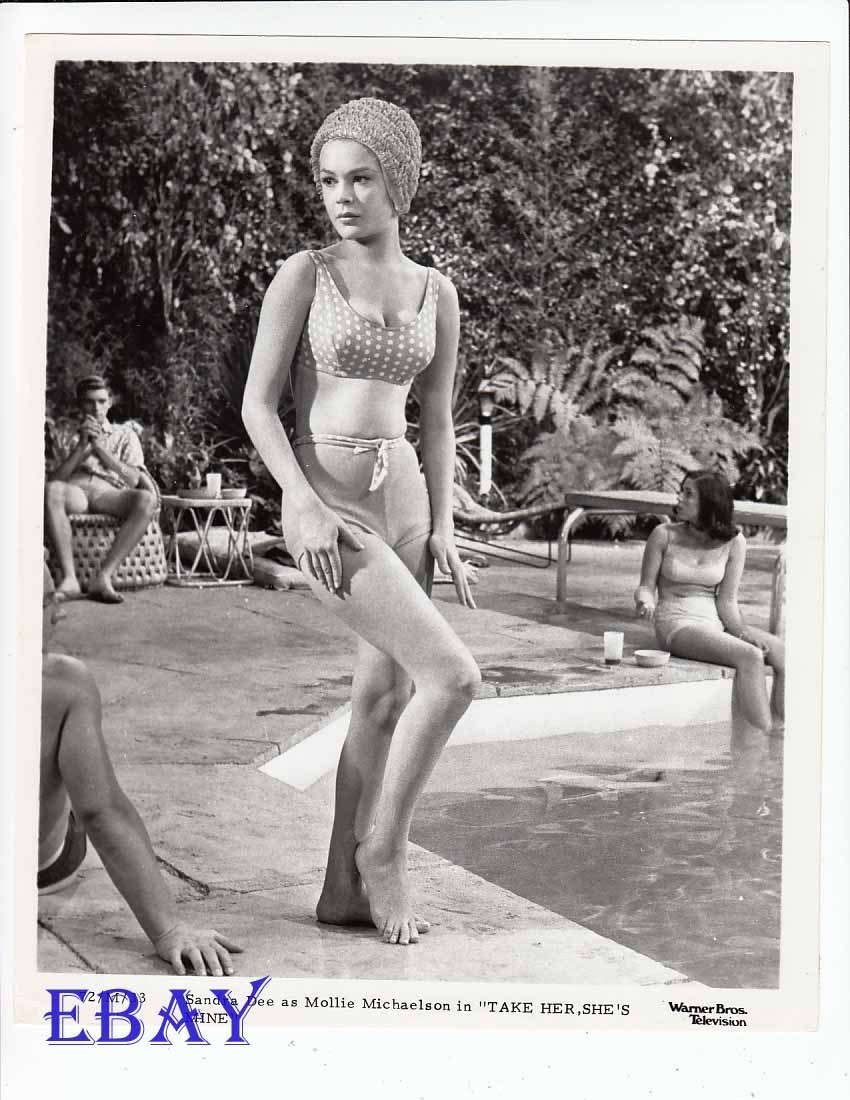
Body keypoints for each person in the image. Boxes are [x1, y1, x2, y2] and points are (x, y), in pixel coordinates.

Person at [242, 97, 481, 946]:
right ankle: (385, 848)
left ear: (400, 183)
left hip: (405, 498)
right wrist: (300, 501)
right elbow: (258, 406)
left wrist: (444, 522)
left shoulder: (437, 291)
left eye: (362, 179)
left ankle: (340, 891)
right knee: (454, 679)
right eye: (328, 179)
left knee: (383, 699)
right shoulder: (304, 274)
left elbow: (438, 419)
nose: (341, 196)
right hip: (331, 509)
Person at [40, 564, 243, 975]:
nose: (59, 612)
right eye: (46, 602)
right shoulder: (61, 683)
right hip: (41, 867)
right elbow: (101, 813)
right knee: (88, 787)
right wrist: (169, 929)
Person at [634, 470, 785, 733]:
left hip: (715, 623)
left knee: (783, 652)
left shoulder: (734, 542)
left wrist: (743, 633)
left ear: (709, 501)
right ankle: (763, 738)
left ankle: (784, 728)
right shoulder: (663, 534)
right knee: (750, 656)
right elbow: (646, 587)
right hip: (676, 623)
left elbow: (727, 601)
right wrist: (644, 601)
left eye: (688, 494)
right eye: (681, 491)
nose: (679, 498)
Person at [45, 374, 158, 604]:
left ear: (110, 403)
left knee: (145, 500)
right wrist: (81, 447)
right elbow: (54, 480)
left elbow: (132, 479)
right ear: (80, 403)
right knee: (52, 490)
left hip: (108, 492)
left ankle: (104, 576)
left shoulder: (124, 434)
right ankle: (70, 579)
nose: (96, 408)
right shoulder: (65, 433)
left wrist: (99, 449)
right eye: (89, 401)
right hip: (75, 490)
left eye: (101, 401)